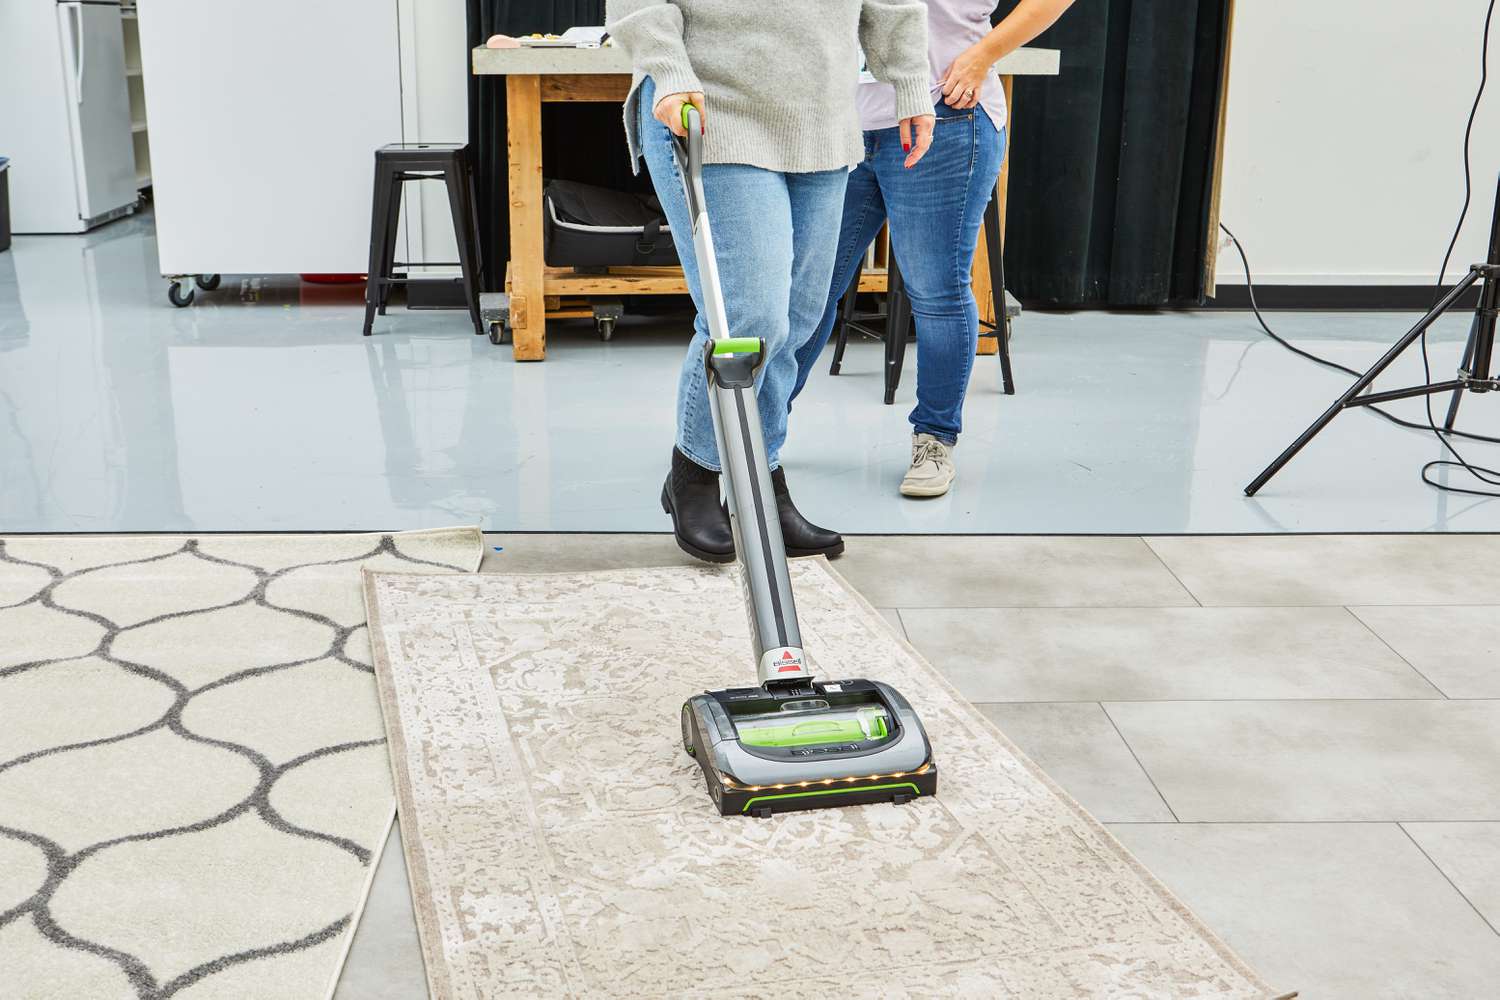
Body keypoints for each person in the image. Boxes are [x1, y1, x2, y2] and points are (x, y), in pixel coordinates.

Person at [606, 1, 934, 562]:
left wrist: (909, 85)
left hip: (821, 118)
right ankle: (697, 471)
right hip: (709, 109)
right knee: (747, 317)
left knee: (801, 320)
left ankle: (761, 480)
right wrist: (668, 68)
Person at [791, 0, 1076, 498]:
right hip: (840, 119)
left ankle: (935, 439)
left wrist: (981, 55)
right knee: (806, 293)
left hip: (945, 114)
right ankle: (754, 433)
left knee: (936, 290)